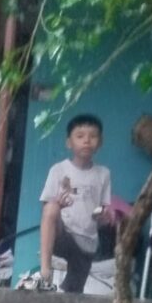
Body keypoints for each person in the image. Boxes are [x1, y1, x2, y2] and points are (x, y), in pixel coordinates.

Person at [32, 114, 113, 292]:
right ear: (69, 142)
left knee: (73, 291)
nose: (86, 141)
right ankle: (45, 273)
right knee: (52, 207)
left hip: (87, 242)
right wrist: (58, 206)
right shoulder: (58, 169)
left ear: (100, 143)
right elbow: (46, 211)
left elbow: (102, 212)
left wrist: (104, 216)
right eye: (80, 136)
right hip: (64, 234)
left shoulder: (103, 174)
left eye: (92, 136)